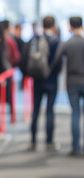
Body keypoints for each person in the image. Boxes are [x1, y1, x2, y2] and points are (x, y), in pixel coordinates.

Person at [28, 16, 61, 152]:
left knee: (35, 110)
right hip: (52, 81)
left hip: (37, 80)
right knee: (49, 111)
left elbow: (26, 58)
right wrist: (52, 73)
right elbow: (59, 61)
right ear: (53, 26)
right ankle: (49, 141)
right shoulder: (56, 41)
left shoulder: (35, 39)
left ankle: (33, 141)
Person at [51, 16, 83, 156]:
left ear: (70, 26)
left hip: (72, 82)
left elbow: (56, 61)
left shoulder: (67, 43)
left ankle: (76, 147)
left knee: (75, 114)